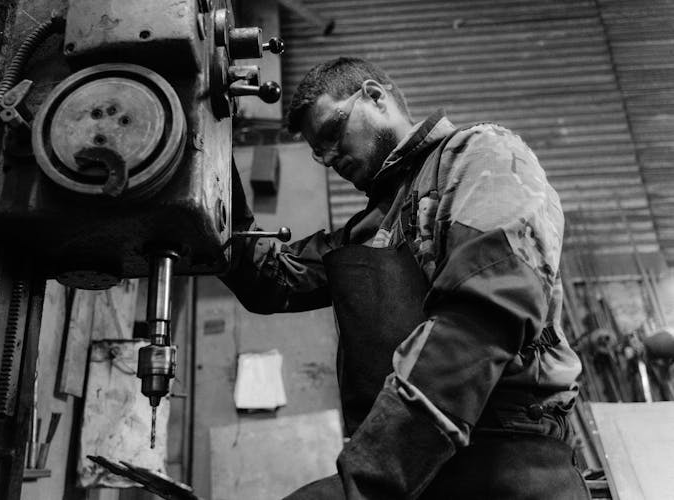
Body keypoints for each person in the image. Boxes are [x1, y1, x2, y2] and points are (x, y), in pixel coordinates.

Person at [223, 57, 590, 499]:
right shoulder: (370, 228)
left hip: (507, 458)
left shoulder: (479, 155)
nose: (328, 157)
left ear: (375, 96)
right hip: (419, 462)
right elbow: (270, 281)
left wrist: (375, 475)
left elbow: (481, 320)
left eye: (331, 134)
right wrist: (214, 169)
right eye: (317, 153)